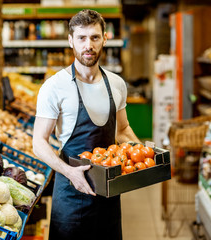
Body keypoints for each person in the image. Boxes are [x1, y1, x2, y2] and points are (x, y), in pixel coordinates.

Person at [32, 9, 140, 240]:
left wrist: (141, 153)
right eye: (81, 38)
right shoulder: (54, 86)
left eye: (94, 37)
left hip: (109, 190)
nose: (88, 45)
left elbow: (122, 130)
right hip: (71, 193)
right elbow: (38, 142)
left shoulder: (117, 84)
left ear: (104, 39)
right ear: (71, 40)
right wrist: (70, 172)